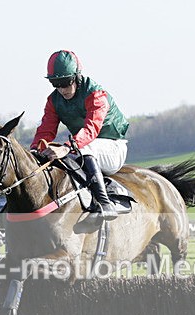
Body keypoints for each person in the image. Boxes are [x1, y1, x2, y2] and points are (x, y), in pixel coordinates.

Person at [31, 50, 129, 221]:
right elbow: (46, 131)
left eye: (65, 82)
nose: (62, 89)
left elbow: (91, 129)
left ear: (76, 76)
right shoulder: (53, 101)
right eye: (56, 84)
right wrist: (35, 150)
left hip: (112, 147)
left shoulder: (96, 95)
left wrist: (67, 147)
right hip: (83, 147)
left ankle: (104, 203)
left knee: (83, 149)